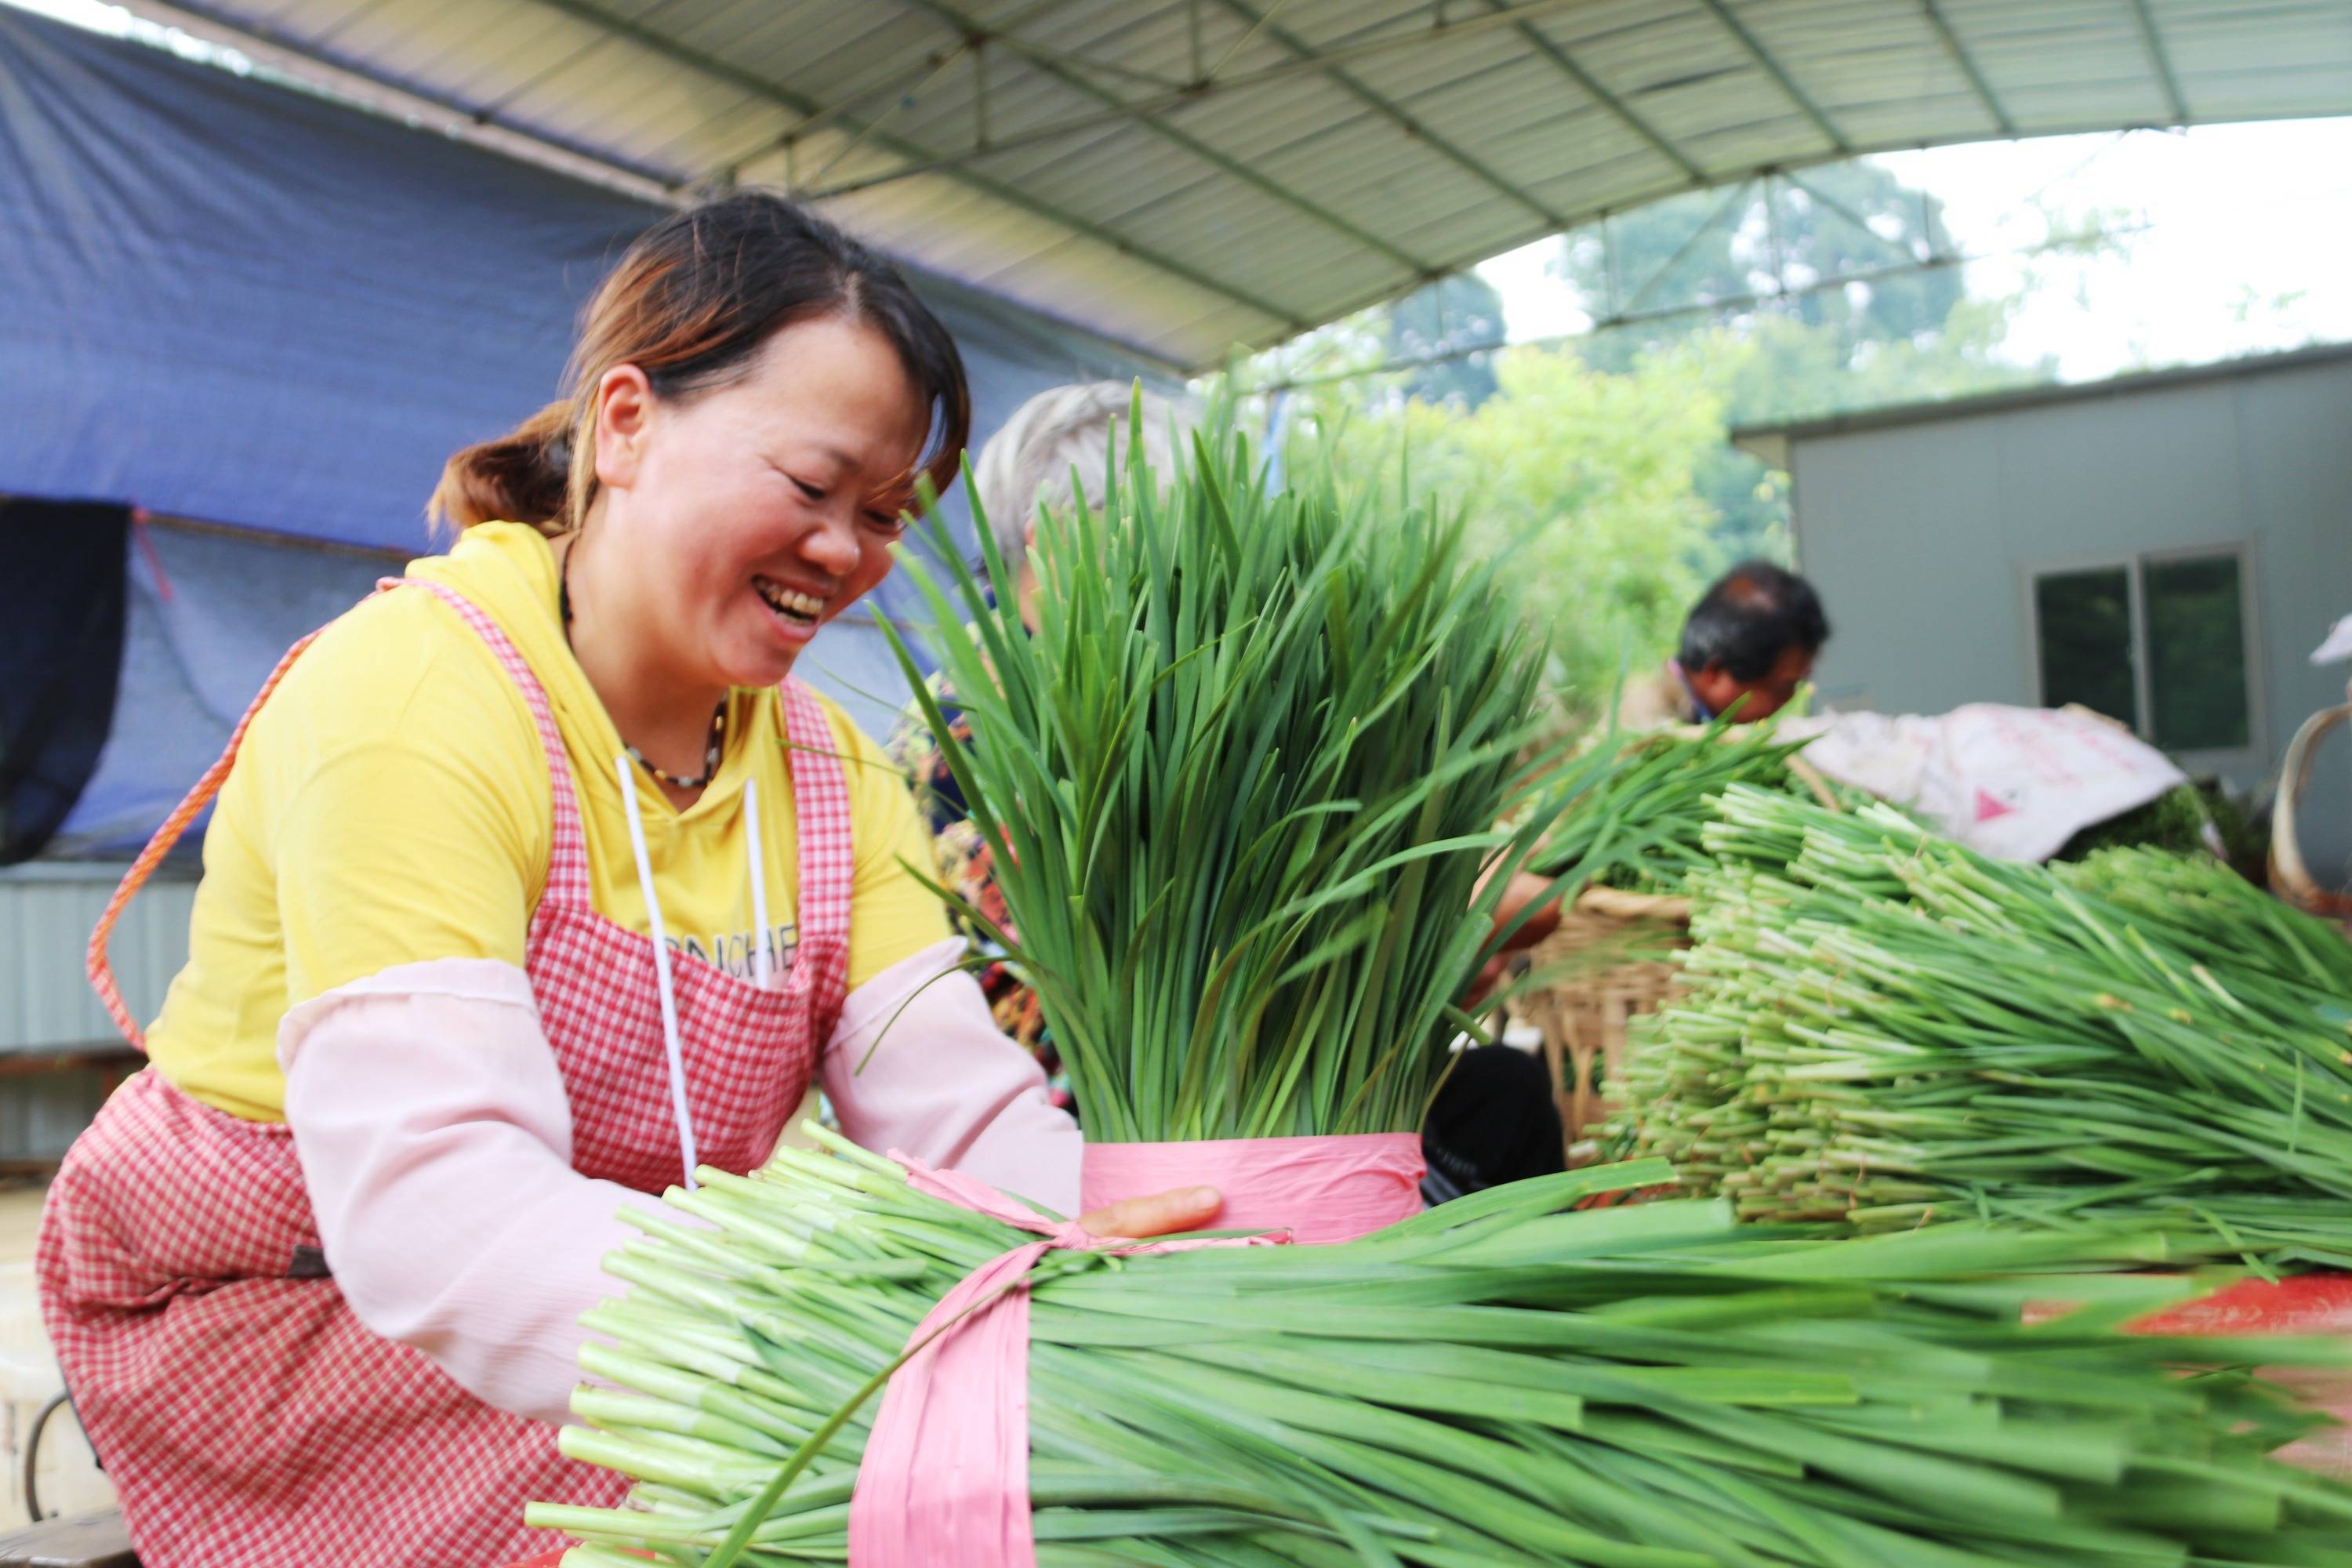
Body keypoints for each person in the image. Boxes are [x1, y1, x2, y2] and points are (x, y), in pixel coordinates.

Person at [36, 195, 1215, 1568]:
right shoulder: (419, 691)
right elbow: (439, 1214)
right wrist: (863, 1324)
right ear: (626, 426)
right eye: (813, 485)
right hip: (274, 1312)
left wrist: (1142, 1240)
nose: (849, 550)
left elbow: (953, 1101)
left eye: (886, 513)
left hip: (591, 1295)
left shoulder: (829, 773)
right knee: (812, 1498)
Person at [891, 383, 1564, 1203]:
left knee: (1503, 1089)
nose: (1203, 575)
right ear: (1060, 540)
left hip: (1244, 1107)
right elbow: (1105, 982)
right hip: (1086, 1139)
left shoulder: (1158, 694)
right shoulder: (978, 723)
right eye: (1184, 534)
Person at [1617, 560, 1831, 729]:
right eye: (1785, 686)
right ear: (1717, 673)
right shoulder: (1649, 732)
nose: (1789, 700)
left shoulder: (1703, 717)